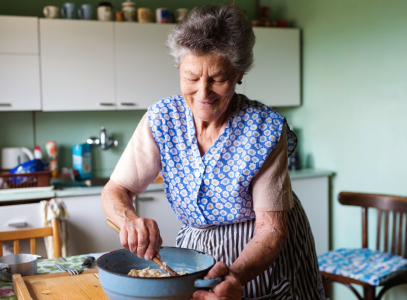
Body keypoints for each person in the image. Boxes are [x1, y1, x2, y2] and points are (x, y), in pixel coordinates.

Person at [101, 4, 325, 299]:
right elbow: (116, 189)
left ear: (239, 73)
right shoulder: (162, 118)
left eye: (218, 79)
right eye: (191, 78)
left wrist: (235, 274)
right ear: (179, 68)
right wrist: (129, 220)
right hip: (198, 252)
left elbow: (271, 229)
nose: (203, 93)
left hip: (262, 253)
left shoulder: (264, 129)